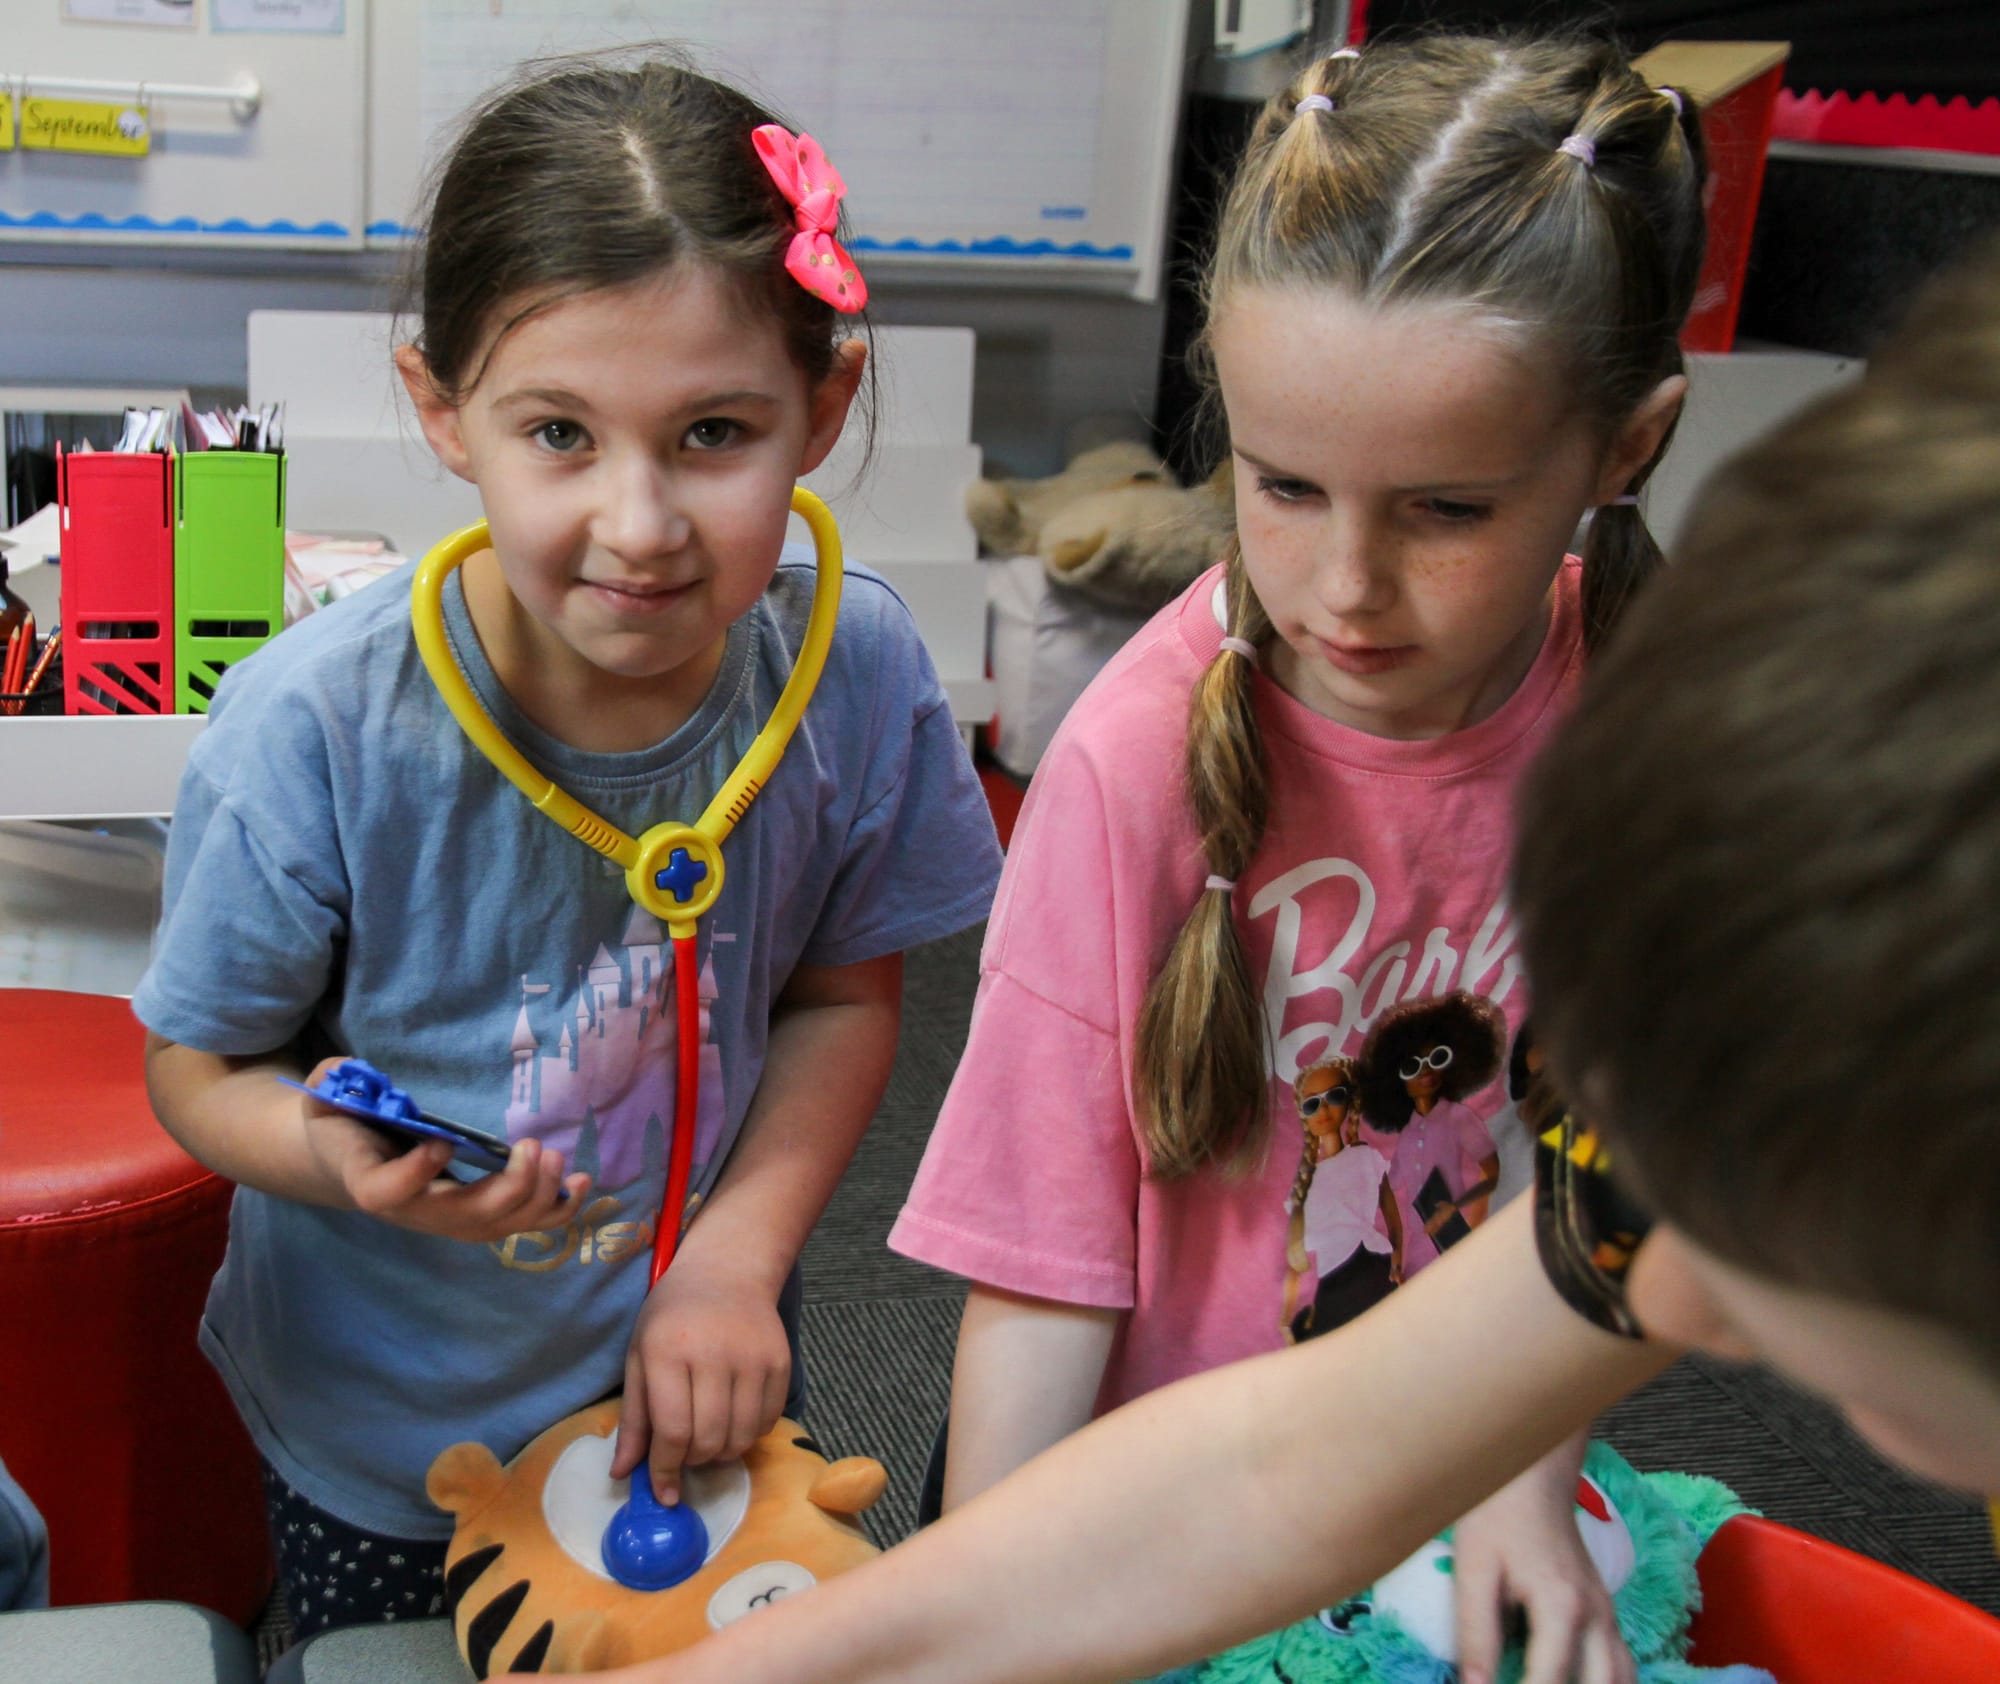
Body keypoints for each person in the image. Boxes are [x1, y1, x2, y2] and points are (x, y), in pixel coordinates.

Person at [502, 232, 2000, 1684]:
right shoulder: (1684, 1156)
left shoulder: (1764, 1092)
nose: (1703, 1303)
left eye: (1747, 1273)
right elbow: (1297, 1465)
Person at [132, 54, 1001, 1640]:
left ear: (823, 411)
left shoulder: (857, 675)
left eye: (714, 432)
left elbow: (839, 999)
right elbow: (197, 1071)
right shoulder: (315, 731)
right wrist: (328, 1154)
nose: (641, 523)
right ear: (442, 412)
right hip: (395, 1434)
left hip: (692, 1378)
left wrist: (732, 1264)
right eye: (559, 433)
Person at [887, 33, 1701, 1683]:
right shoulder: (1132, 761)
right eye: (1284, 487)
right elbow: (1043, 1273)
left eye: (1447, 510)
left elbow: (1592, 1164)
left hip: (1461, 1463)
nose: (1344, 587)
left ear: (1625, 448)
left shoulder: (1645, 712)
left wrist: (1524, 1476)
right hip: (1139, 1515)